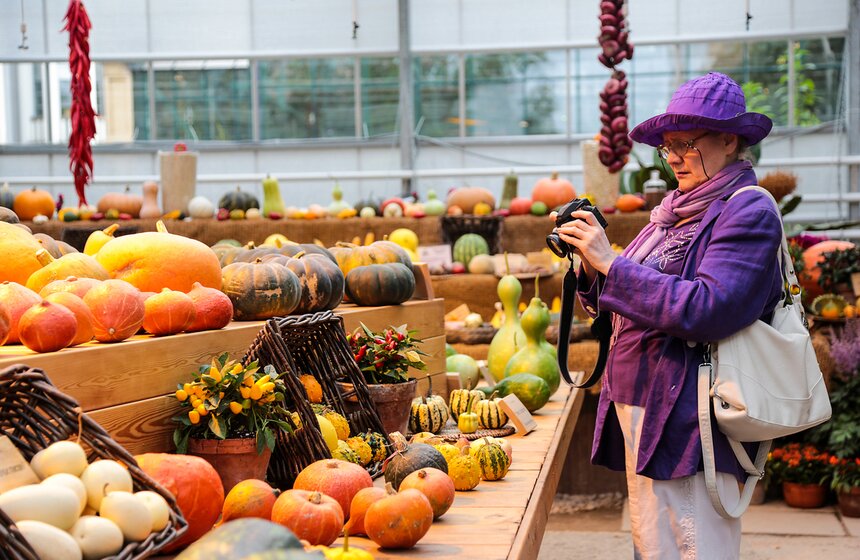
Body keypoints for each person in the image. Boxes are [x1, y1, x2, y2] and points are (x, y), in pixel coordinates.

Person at [554, 72, 783, 559]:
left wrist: (612, 264)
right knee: (654, 545)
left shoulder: (747, 211)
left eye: (686, 143)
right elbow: (620, 296)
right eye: (667, 146)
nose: (673, 156)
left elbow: (710, 308)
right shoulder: (673, 212)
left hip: (691, 413)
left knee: (694, 546)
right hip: (648, 402)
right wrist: (590, 265)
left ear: (729, 139)